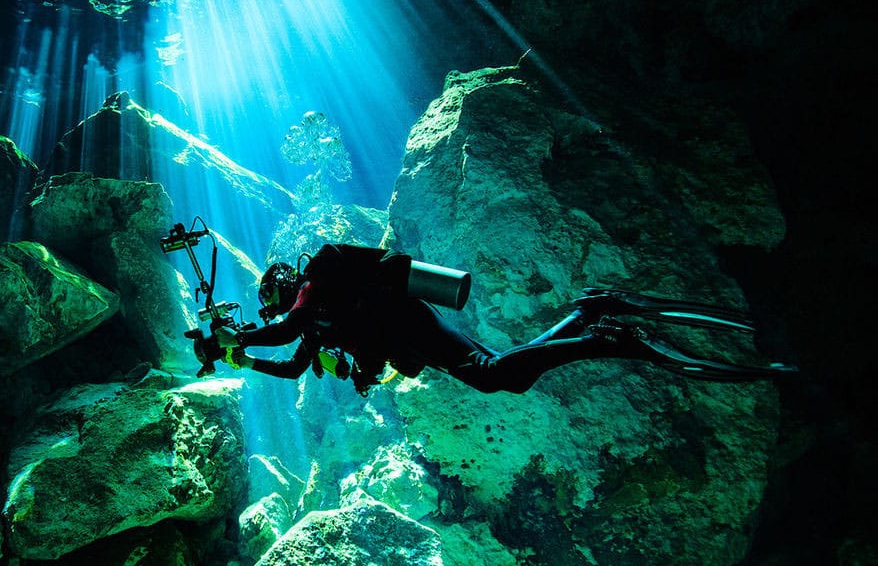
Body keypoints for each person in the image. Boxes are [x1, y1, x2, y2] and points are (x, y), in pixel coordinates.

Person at [213, 244, 796, 396]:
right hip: (405, 329)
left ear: (288, 284)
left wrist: (238, 338)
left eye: (280, 296)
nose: (284, 304)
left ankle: (610, 334)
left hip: (406, 319)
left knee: (497, 376)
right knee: (498, 372)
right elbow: (292, 367)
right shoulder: (315, 322)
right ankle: (590, 313)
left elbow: (289, 328)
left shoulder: (318, 280)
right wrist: (244, 359)